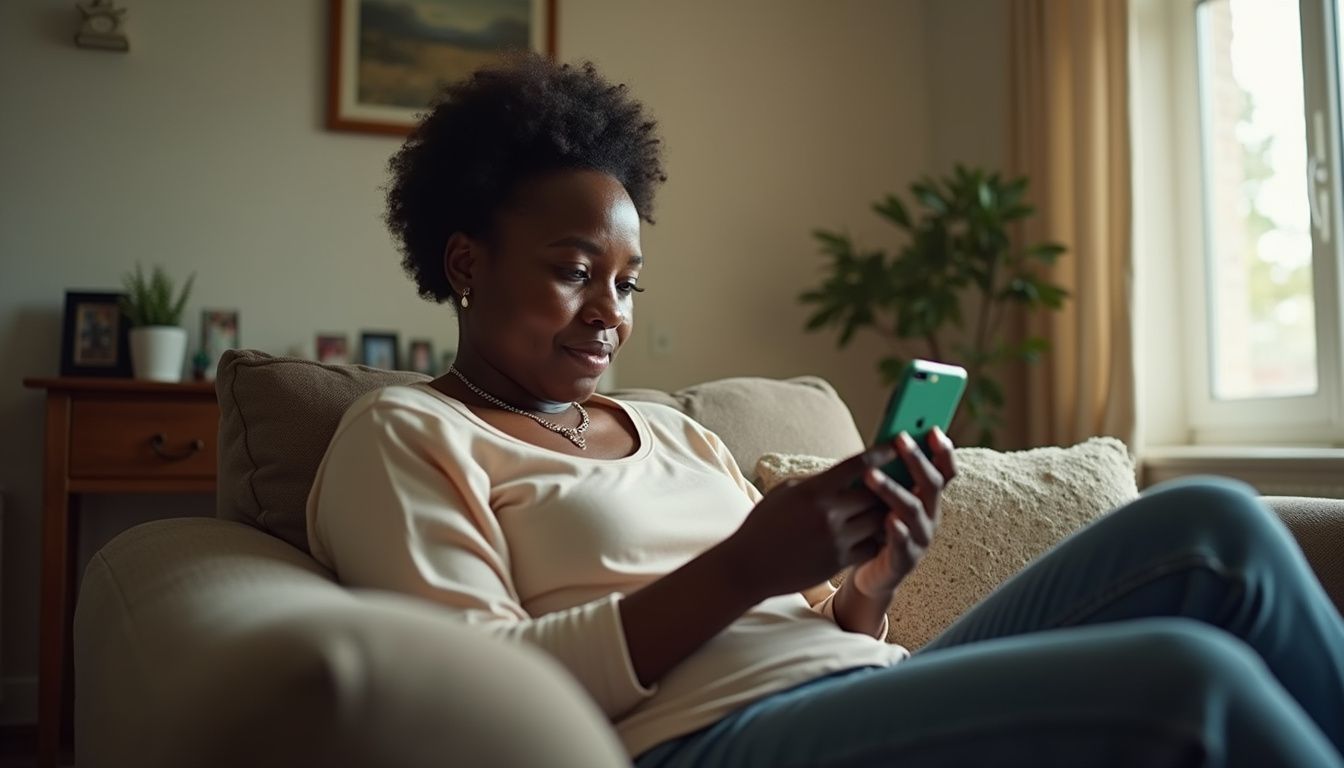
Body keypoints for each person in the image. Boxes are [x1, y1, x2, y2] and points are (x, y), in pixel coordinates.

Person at [304, 52, 1344, 767]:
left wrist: (869, 589)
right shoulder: (407, 436)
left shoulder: (676, 432)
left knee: (1213, 526)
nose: (610, 313)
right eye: (576, 271)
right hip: (704, 742)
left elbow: (808, 624)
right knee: (1187, 680)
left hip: (864, 687)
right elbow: (477, 699)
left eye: (628, 282)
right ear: (466, 264)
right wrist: (743, 566)